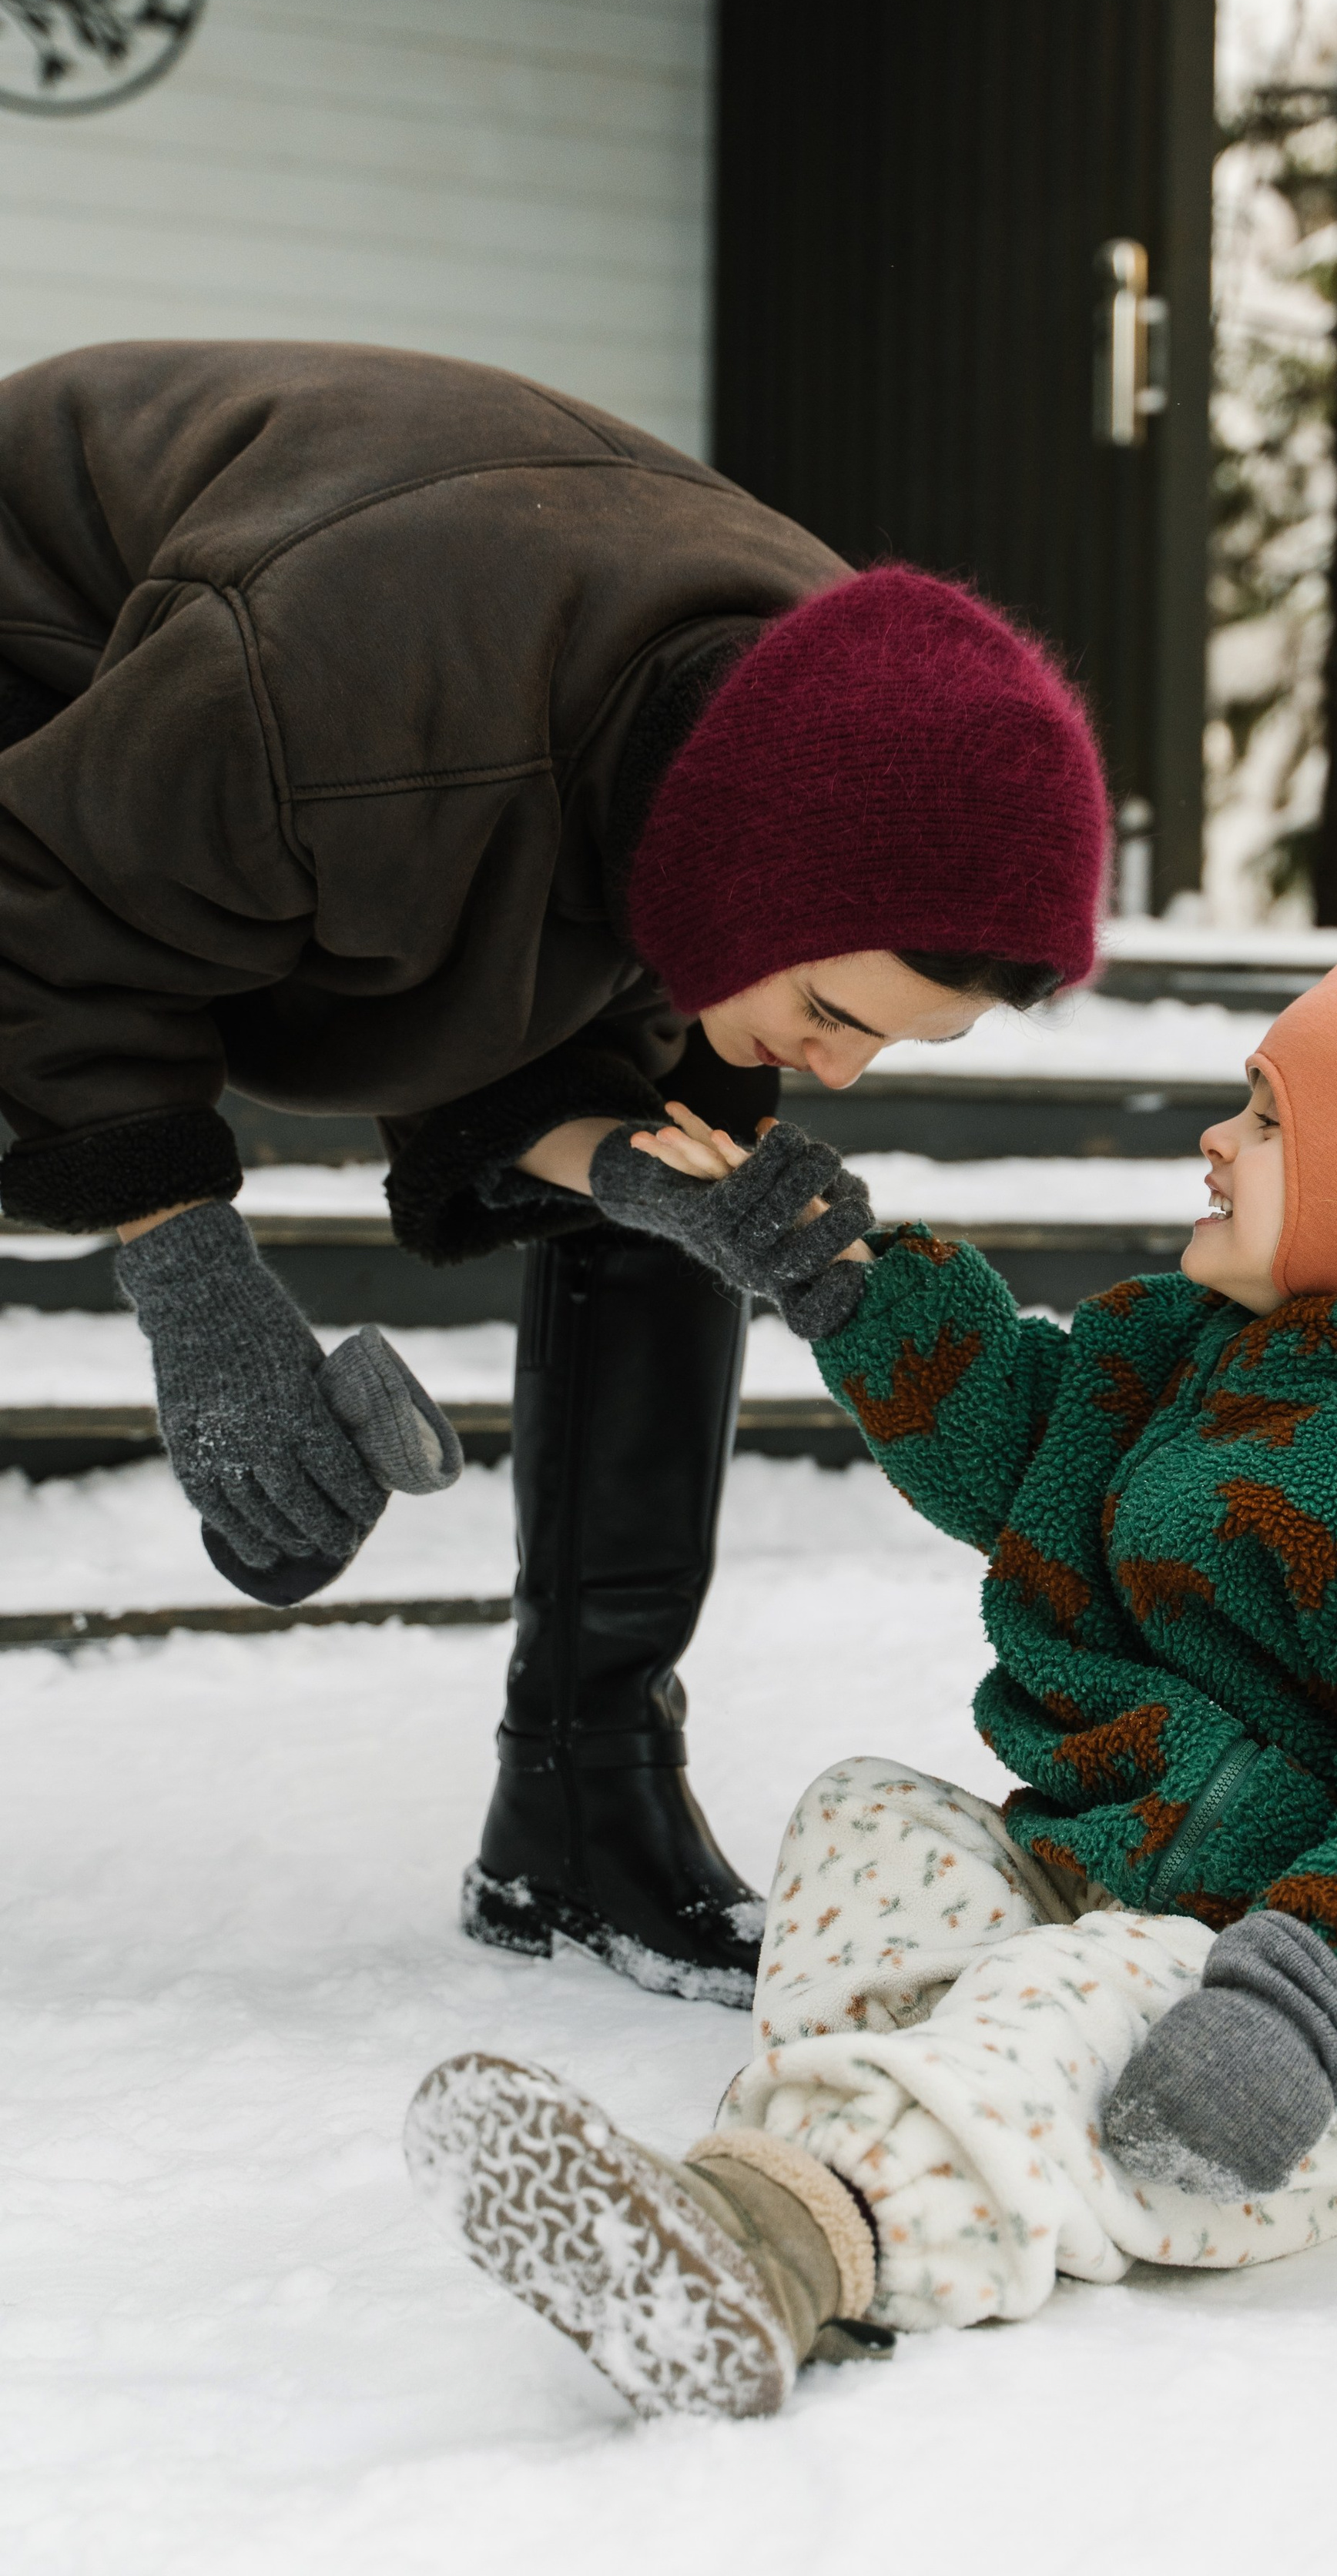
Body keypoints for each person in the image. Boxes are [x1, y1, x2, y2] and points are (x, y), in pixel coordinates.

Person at [404, 932, 1337, 2417]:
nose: (1219, 1140)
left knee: (1083, 1994)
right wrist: (843, 1276)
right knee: (868, 1815)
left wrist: (1312, 2008)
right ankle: (903, 2130)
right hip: (1146, 1885)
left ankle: (790, 2245)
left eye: (1271, 1120)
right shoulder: (1205, 1359)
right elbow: (1028, 1445)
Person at [0, 342, 1108, 1995]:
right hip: (62, 668)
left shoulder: (817, 715)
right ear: (755, 883)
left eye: (885, 1043)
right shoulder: (336, 702)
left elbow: (552, 1034)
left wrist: (639, 1177)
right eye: (830, 1011)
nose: (837, 1069)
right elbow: (44, 907)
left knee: (690, 1189)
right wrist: (197, 1293)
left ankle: (585, 1810)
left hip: (395, 727)